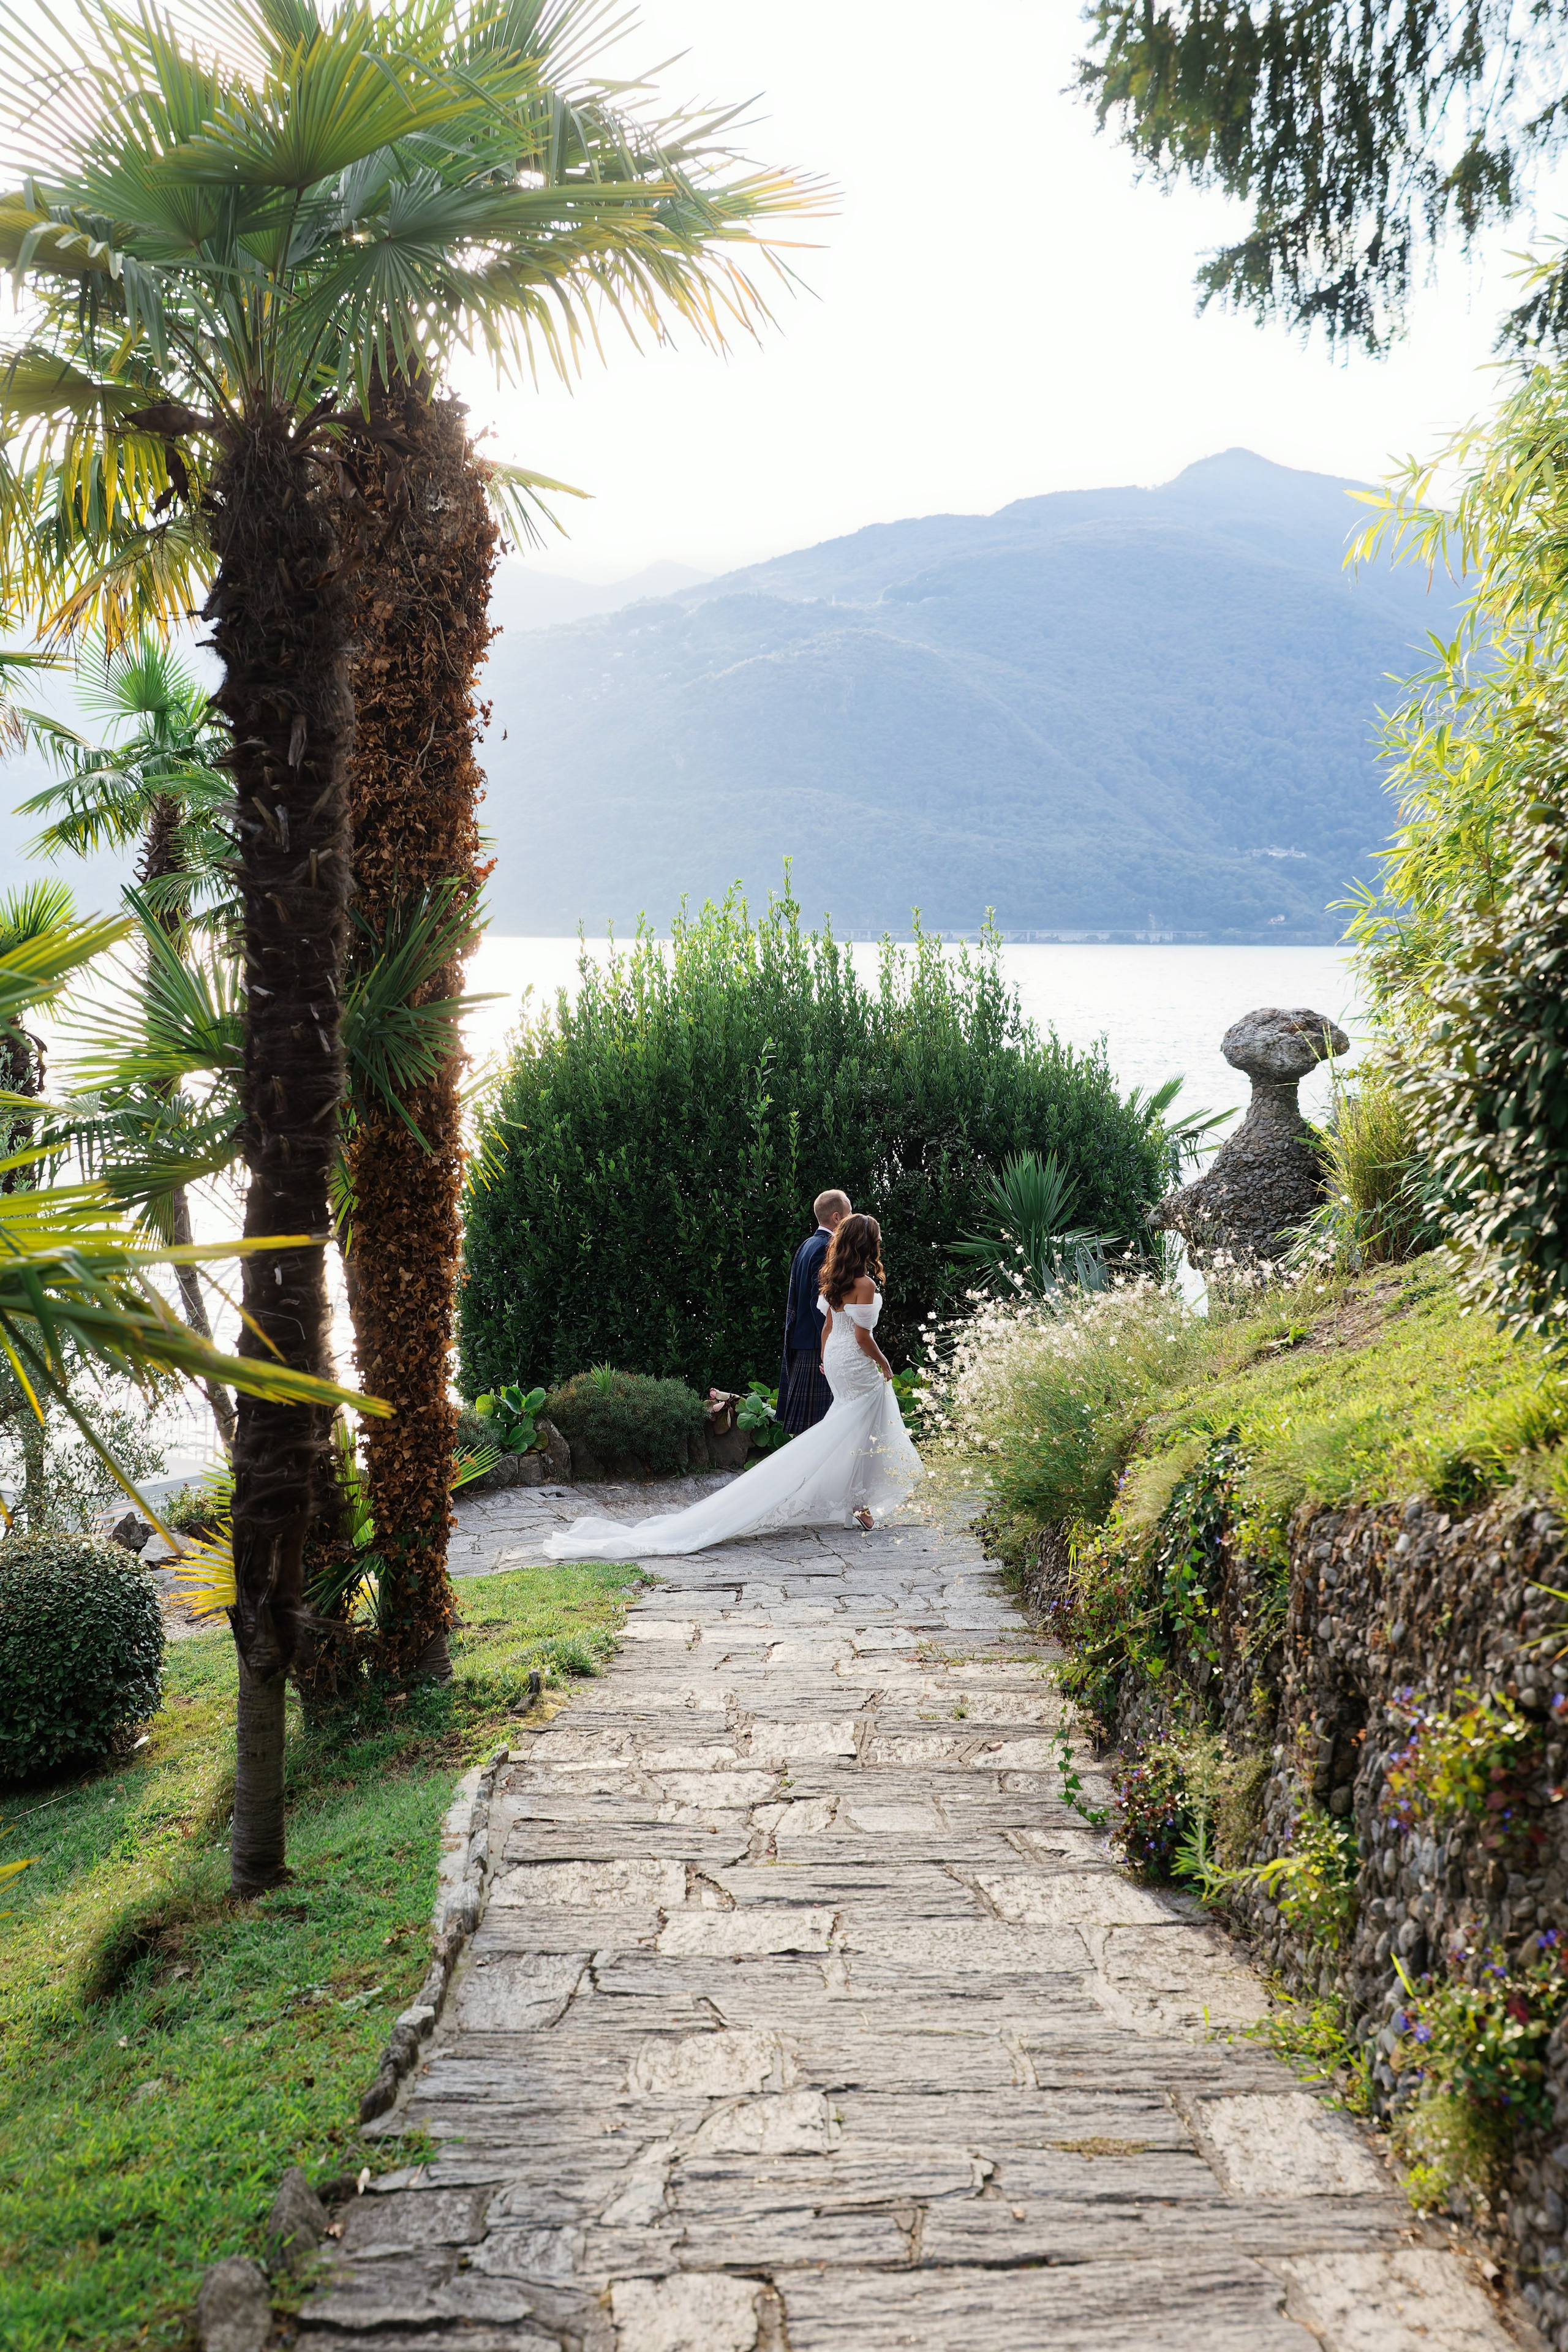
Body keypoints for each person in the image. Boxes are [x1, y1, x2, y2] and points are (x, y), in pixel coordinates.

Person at [542, 1213, 921, 1559]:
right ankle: (858, 1505)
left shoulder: (833, 1279)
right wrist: (885, 1363)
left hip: (836, 1360)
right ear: (866, 1244)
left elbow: (826, 1329)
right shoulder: (865, 1284)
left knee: (848, 1425)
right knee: (863, 1425)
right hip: (855, 1360)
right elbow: (862, 1337)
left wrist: (825, 1360)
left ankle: (856, 1505)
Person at [778, 1189, 850, 1435]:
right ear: (838, 1217)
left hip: (804, 1344)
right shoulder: (826, 1249)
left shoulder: (806, 1245)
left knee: (808, 1432)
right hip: (815, 1347)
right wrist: (829, 1347)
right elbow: (819, 1303)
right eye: (850, 1213)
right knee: (818, 1431)